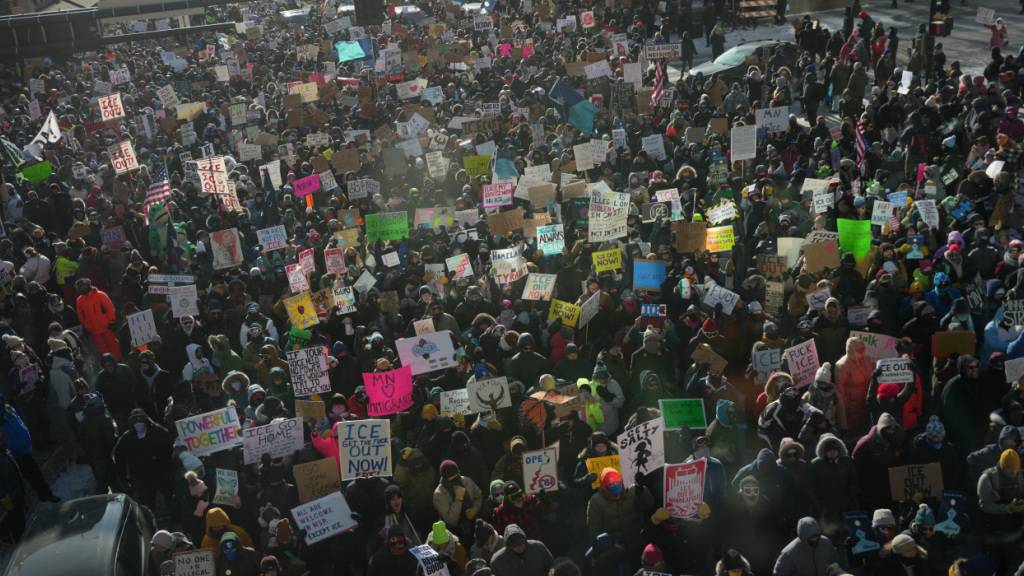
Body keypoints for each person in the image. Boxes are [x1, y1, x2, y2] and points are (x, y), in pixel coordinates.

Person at [772, 517, 841, 576]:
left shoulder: (826, 543)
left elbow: (836, 562)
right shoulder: (789, 553)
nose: (815, 539)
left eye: (817, 536)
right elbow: (779, 574)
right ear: (803, 537)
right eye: (811, 537)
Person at [489, 523, 554, 576]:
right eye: (515, 546)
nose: (519, 547)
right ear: (509, 547)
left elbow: (551, 565)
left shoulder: (539, 547)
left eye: (521, 544)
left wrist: (551, 572)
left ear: (525, 539)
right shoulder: (497, 561)